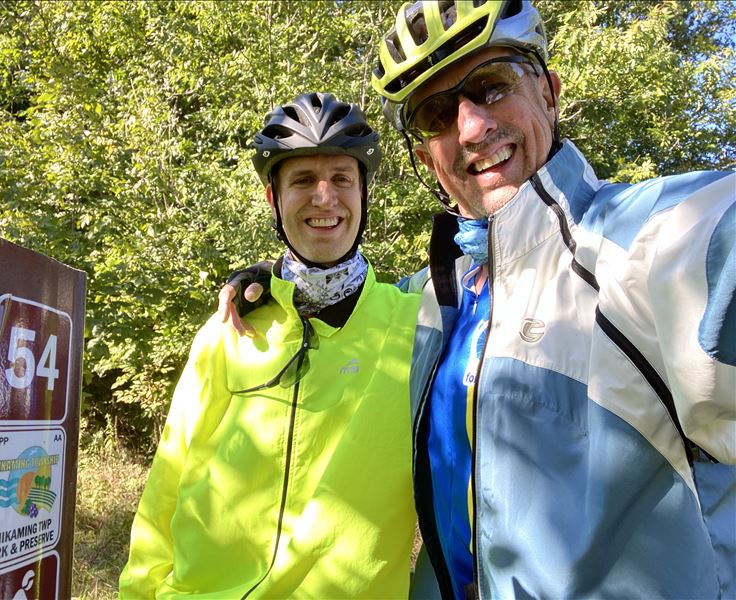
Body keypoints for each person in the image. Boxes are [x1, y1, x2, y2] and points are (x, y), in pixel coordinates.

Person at [219, 2, 736, 598]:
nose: (470, 127)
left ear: (549, 92)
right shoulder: (427, 299)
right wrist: (273, 284)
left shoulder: (644, 245)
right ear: (425, 158)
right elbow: (340, 312)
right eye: (437, 114)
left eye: (491, 87)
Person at [119, 92, 421, 598]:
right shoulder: (228, 328)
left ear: (364, 193)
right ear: (272, 198)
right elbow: (167, 484)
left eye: (341, 179)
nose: (324, 197)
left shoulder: (417, 326)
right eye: (302, 180)